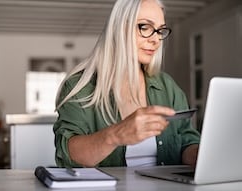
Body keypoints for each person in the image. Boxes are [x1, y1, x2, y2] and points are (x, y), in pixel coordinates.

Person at [53, 0, 200, 168]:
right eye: (145, 27)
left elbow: (187, 141)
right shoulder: (80, 87)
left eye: (160, 30)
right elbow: (68, 156)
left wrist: (199, 154)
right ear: (119, 28)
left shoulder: (167, 86)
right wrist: (116, 135)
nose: (156, 40)